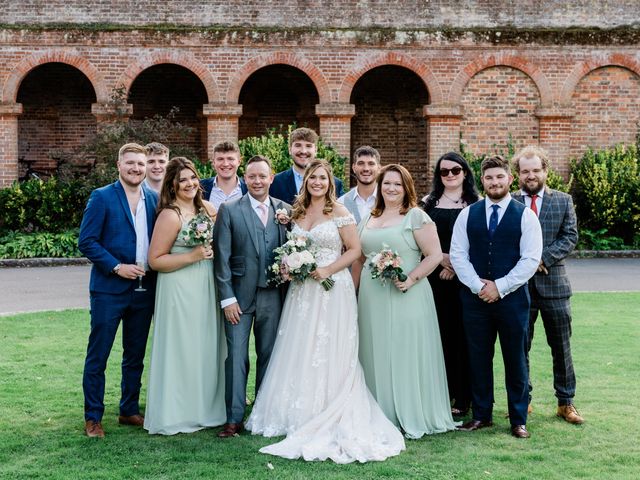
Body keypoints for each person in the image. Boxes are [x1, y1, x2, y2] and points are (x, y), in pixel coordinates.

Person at [247, 159, 405, 463]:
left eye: (322, 178)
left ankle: (328, 407)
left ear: (329, 182)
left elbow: (356, 251)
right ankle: (295, 411)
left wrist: (327, 269)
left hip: (332, 289)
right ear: (305, 181)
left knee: (328, 347)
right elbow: (292, 247)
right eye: (312, 178)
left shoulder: (340, 212)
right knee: (299, 346)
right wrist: (287, 265)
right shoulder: (298, 212)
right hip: (301, 291)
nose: (316, 182)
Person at [355, 164, 459, 439]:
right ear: (379, 187)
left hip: (407, 294)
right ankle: (377, 410)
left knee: (402, 350)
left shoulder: (416, 216)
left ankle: (409, 409)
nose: (391, 188)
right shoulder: (368, 216)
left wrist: (411, 278)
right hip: (371, 295)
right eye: (386, 183)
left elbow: (435, 255)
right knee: (374, 349)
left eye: (397, 184)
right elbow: (360, 257)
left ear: (407, 188)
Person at [450, 155, 542, 439]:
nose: (494, 182)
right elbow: (457, 255)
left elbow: (530, 259)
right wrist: (479, 287)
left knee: (515, 359)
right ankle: (481, 415)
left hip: (513, 300)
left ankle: (518, 419)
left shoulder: (525, 215)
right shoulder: (468, 214)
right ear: (483, 181)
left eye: (500, 177)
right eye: (489, 178)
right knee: (478, 358)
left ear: (509, 179)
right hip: (475, 301)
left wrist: (499, 286)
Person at [78, 143, 158, 438]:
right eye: (131, 163)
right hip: (109, 289)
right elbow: (86, 241)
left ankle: (128, 409)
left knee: (134, 354)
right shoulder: (101, 197)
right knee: (98, 355)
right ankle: (93, 417)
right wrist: (116, 267)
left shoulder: (153, 199)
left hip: (144, 289)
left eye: (141, 164)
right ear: (119, 165)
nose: (136, 168)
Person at [143, 157, 226, 435]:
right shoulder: (170, 214)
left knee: (204, 346)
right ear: (173, 186)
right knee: (181, 347)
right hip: (178, 287)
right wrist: (192, 255)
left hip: (205, 285)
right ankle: (177, 412)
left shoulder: (209, 209)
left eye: (192, 178)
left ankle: (205, 409)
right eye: (183, 180)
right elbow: (155, 260)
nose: (190, 184)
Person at [213, 155, 291, 438]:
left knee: (269, 355)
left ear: (271, 178)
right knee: (235, 356)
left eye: (262, 176)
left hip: (273, 294)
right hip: (239, 297)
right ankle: (233, 418)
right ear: (245, 179)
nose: (257, 181)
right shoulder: (230, 209)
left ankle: (262, 412)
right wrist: (227, 298)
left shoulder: (285, 211)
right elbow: (221, 259)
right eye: (252, 176)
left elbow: (293, 251)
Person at [512, 146, 583, 424]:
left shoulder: (563, 201)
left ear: (545, 171)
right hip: (520, 287)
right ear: (518, 174)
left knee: (561, 347)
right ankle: (522, 401)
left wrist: (541, 258)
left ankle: (566, 402)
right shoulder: (510, 202)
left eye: (535, 170)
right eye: (525, 171)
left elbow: (570, 236)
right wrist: (526, 264)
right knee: (519, 346)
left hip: (554, 286)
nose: (531, 175)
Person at [419, 152, 480, 418]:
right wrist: (441, 261)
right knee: (439, 336)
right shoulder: (427, 204)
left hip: (465, 281)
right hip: (434, 280)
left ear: (465, 172)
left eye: (456, 170)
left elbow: (480, 242)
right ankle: (441, 393)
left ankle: (464, 396)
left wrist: (455, 267)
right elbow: (418, 241)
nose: (451, 175)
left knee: (464, 339)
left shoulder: (476, 203)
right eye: (444, 172)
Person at [269, 127, 343, 205]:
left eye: (308, 146)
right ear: (290, 150)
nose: (303, 151)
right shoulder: (275, 183)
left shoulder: (335, 184)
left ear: (315, 150)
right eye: (298, 145)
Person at [338, 145, 381, 224]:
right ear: (354, 168)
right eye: (361, 163)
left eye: (371, 164)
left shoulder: (388, 200)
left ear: (379, 168)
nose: (366, 169)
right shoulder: (341, 202)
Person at [201, 141, 248, 210]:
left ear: (239, 162)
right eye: (220, 159)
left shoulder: (249, 188)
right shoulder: (201, 187)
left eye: (230, 159)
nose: (225, 164)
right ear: (214, 162)